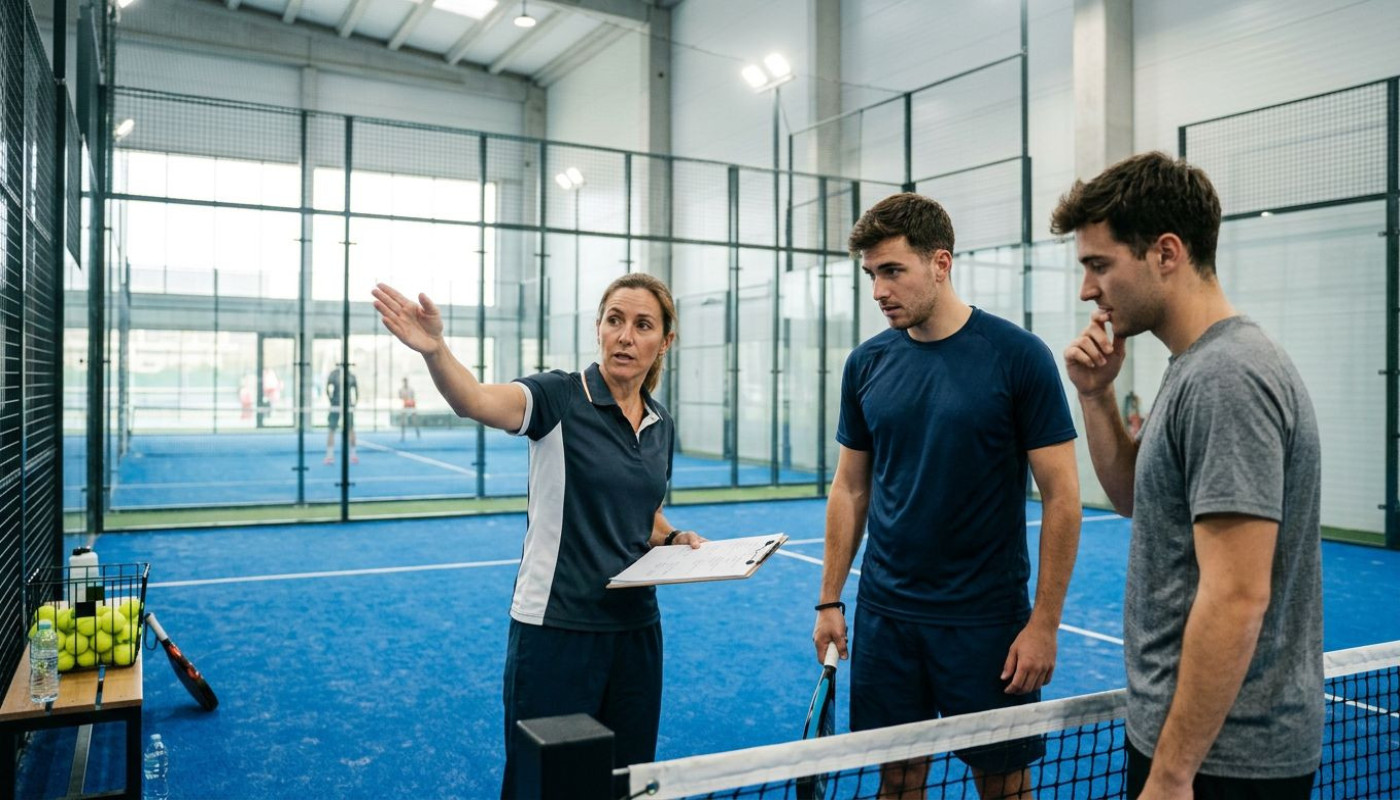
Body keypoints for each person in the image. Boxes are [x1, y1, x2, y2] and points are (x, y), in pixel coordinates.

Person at [371, 273, 705, 800]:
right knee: (547, 788)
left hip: (637, 633)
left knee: (626, 783)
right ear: (598, 328)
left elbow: (646, 515)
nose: (625, 336)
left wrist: (671, 539)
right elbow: (476, 399)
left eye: (643, 326)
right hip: (556, 632)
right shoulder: (558, 397)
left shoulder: (661, 422)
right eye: (615, 320)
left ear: (663, 342)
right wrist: (436, 350)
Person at [1054, 152, 1322, 799]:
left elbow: (1236, 595)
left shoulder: (1226, 377)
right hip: (1190, 743)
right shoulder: (1192, 366)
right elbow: (1133, 498)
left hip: (1219, 760)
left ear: (1166, 253)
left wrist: (1173, 774)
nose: (1088, 289)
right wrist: (1095, 395)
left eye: (1099, 264)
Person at [813, 193, 1082, 799]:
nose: (879, 290)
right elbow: (850, 486)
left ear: (941, 262)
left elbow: (1063, 498)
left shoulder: (1018, 358)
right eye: (871, 275)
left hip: (986, 623)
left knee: (1003, 782)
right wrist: (829, 600)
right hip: (887, 619)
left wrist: (1044, 624)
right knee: (898, 777)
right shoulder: (866, 365)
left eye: (892, 271)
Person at [324, 362, 358, 465]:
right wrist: (353, 403)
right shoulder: (349, 375)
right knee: (336, 429)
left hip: (341, 405)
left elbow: (328, 388)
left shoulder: (337, 374)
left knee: (338, 430)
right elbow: (356, 393)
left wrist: (332, 400)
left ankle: (351, 455)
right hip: (340, 405)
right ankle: (351, 455)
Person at [398, 377, 421, 441]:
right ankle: (403, 436)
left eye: (406, 381)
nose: (405, 382)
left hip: (412, 406)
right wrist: (404, 398)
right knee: (403, 422)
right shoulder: (401, 390)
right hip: (405, 406)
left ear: (407, 382)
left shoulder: (411, 389)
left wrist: (411, 402)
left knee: (415, 421)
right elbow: (400, 397)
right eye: (404, 381)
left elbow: (413, 397)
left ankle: (418, 433)